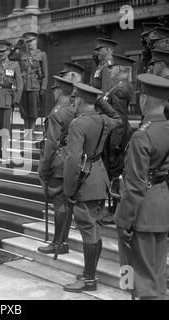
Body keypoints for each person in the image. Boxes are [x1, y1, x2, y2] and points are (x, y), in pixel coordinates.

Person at [63, 83, 121, 293]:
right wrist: (100, 101)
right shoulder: (103, 120)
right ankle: (90, 275)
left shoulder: (78, 124)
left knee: (89, 231)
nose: (73, 102)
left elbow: (72, 160)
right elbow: (118, 118)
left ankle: (89, 279)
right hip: (100, 177)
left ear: (79, 100)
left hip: (84, 182)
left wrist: (69, 189)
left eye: (75, 98)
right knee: (95, 229)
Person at [115, 74, 169, 300]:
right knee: (157, 273)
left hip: (141, 212)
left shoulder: (142, 135)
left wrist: (123, 220)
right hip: (162, 205)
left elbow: (135, 185)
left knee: (137, 278)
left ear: (144, 100)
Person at [37, 76, 76, 255]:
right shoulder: (74, 110)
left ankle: (58, 243)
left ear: (59, 91)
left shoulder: (56, 112)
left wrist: (43, 167)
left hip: (57, 162)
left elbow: (51, 143)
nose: (53, 92)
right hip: (70, 160)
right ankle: (63, 241)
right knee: (66, 204)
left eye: (55, 89)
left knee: (59, 203)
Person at [101, 54, 135, 222]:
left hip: (117, 137)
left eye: (112, 67)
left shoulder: (120, 89)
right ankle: (113, 209)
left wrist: (114, 144)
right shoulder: (119, 86)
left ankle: (115, 211)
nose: (110, 70)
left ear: (121, 69)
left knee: (115, 173)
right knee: (112, 173)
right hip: (115, 134)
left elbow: (120, 120)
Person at [18, 32, 48, 138]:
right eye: (27, 42)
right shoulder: (22, 54)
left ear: (36, 41)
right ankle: (27, 133)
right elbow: (11, 57)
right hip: (23, 86)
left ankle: (32, 132)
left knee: (33, 110)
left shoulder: (41, 55)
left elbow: (45, 74)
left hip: (35, 86)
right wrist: (17, 46)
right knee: (24, 111)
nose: (29, 43)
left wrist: (43, 88)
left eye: (31, 41)